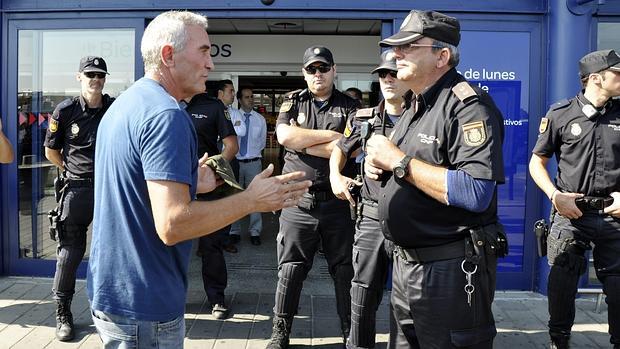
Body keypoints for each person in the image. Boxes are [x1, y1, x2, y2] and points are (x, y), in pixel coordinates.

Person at [87, 11, 311, 348]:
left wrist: (192, 182)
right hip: (145, 304)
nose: (210, 64)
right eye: (204, 51)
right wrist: (253, 200)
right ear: (168, 55)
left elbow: (133, 186)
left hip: (112, 292)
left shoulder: (126, 105)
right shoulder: (167, 115)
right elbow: (173, 224)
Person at [366, 10, 506, 348]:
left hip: (450, 272)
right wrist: (380, 167)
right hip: (406, 267)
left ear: (442, 56)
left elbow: (475, 192)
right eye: (397, 47)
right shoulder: (417, 105)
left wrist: (397, 161)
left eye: (409, 46)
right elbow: (411, 167)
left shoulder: (468, 107)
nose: (397, 54)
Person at [267, 45, 358, 349]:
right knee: (290, 270)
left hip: (338, 203)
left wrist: (302, 143)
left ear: (335, 70)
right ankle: (280, 334)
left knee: (345, 271)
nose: (318, 74)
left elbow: (354, 148)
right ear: (304, 73)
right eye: (311, 69)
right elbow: (284, 137)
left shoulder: (350, 106)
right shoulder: (293, 101)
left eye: (323, 68)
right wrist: (335, 140)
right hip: (297, 201)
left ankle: (351, 334)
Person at [529, 49, 620, 349]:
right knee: (562, 285)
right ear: (595, 78)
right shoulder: (561, 114)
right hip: (571, 215)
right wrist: (555, 196)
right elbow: (536, 162)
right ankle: (559, 341)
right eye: (617, 73)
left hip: (615, 216)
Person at [330, 49, 408, 349]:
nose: (388, 79)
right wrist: (336, 176)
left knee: (406, 298)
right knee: (363, 292)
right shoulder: (364, 118)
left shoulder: (423, 118)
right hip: (372, 216)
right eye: (383, 75)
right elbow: (340, 148)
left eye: (394, 73)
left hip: (408, 216)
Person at [43, 56, 114, 342]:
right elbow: (51, 151)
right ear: (79, 77)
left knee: (112, 251)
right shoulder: (66, 110)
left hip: (109, 189)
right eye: (90, 75)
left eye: (100, 75)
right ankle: (63, 313)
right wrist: (70, 171)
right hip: (77, 189)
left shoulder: (113, 107)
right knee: (70, 253)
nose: (95, 80)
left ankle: (110, 310)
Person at [185, 87, 239, 319]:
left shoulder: (213, 106)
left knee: (211, 246)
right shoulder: (164, 101)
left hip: (207, 187)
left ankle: (217, 298)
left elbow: (231, 146)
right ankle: (169, 299)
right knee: (167, 245)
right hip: (170, 185)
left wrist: (210, 168)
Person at [229, 87, 267, 246]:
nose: (250, 99)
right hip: (235, 163)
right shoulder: (232, 116)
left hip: (253, 163)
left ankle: (255, 231)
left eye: (252, 96)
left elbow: (262, 143)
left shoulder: (260, 119)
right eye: (246, 97)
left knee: (255, 197)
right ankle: (234, 231)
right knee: (234, 197)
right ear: (239, 100)